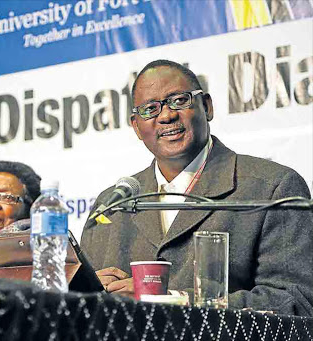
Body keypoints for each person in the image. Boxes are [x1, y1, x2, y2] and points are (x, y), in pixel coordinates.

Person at [80, 60, 313, 316]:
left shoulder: (273, 188)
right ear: (136, 126)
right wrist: (88, 295)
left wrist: (173, 300)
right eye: (150, 109)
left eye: (179, 100)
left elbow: (296, 301)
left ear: (207, 106)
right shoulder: (110, 206)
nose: (166, 116)